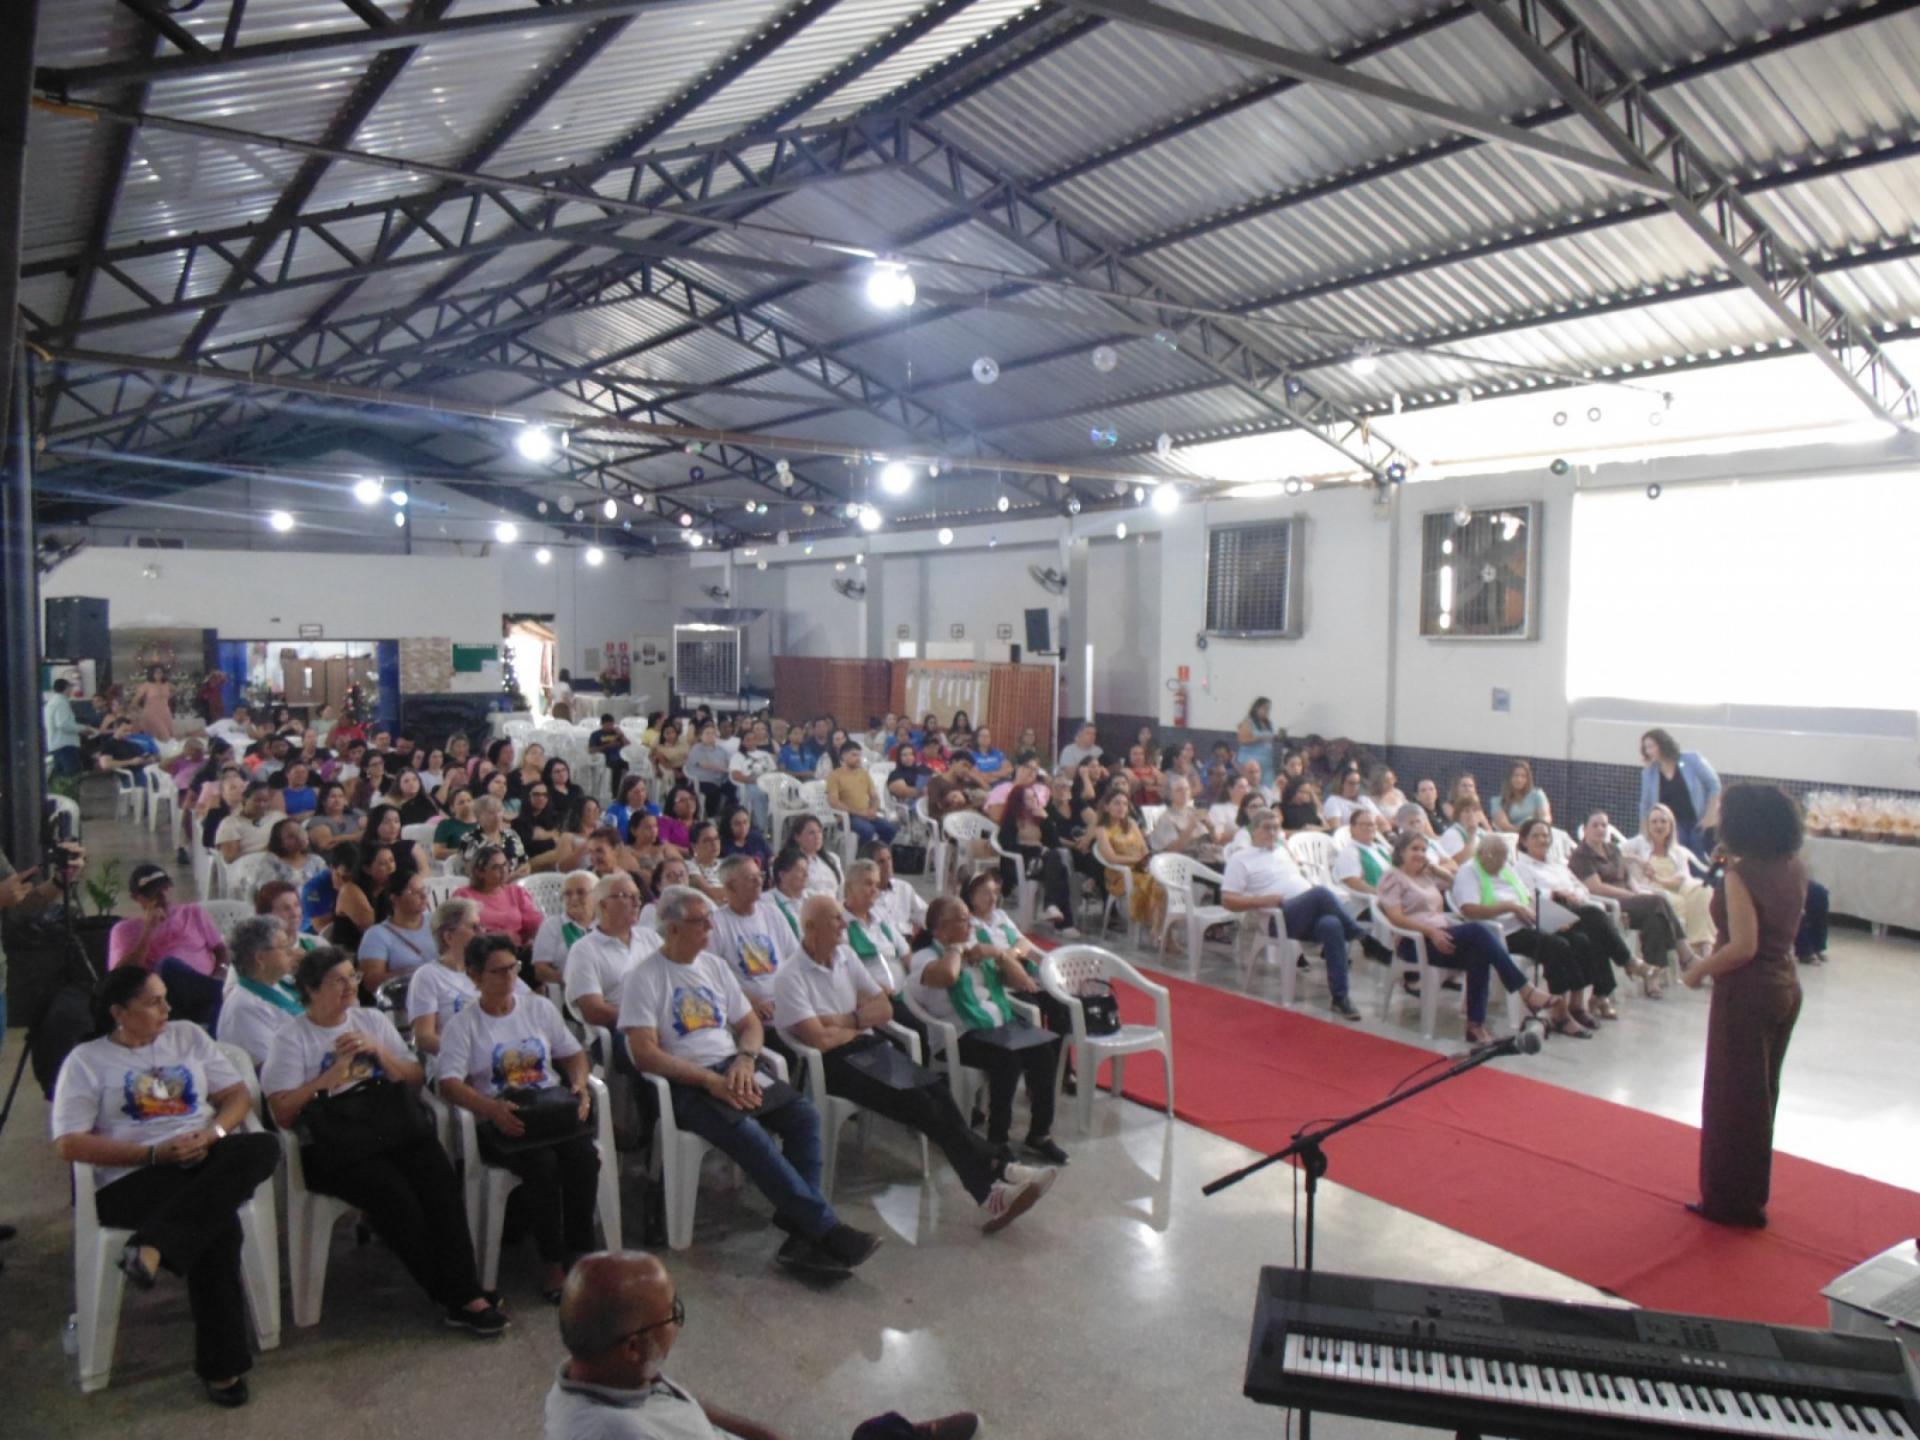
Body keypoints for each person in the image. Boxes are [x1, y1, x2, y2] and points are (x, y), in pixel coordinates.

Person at [620, 886, 880, 1277]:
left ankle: (800, 1224)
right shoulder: (644, 977)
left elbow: (750, 1024)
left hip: (733, 1066)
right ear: (672, 928)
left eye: (710, 919)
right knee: (749, 1133)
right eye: (700, 922)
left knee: (803, 1116)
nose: (710, 928)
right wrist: (709, 1080)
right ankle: (826, 1229)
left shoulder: (713, 966)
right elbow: (645, 1053)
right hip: (686, 1082)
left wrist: (745, 1058)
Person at [51, 967, 280, 1407]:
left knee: (263, 1146)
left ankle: (154, 1245)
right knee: (218, 1227)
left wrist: (211, 1135)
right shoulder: (87, 1060)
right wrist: (154, 1154)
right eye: (154, 1002)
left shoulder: (187, 1036)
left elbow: (236, 1096)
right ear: (119, 1013)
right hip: (135, 1175)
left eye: (166, 998)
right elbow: (69, 1143)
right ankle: (221, 1368)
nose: (167, 1009)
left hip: (204, 1157)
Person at [262, 948, 507, 1335]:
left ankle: (463, 1288)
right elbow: (283, 1113)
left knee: (439, 1180)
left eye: (352, 977)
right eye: (338, 981)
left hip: (388, 1125)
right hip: (336, 1144)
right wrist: (330, 1078)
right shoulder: (292, 1038)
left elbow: (413, 1079)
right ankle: (457, 1295)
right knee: (394, 1196)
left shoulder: (370, 1020)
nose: (349, 987)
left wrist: (378, 1053)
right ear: (311, 989)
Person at [780, 894, 1056, 1230]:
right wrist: (857, 1021)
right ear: (811, 927)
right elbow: (818, 1040)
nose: (843, 924)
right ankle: (996, 1178)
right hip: (833, 1065)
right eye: (835, 919)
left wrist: (843, 1020)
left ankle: (994, 1183)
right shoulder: (791, 975)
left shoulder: (845, 956)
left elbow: (884, 1008)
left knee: (937, 1091)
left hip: (869, 1046)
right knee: (922, 1106)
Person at [546, 1251, 980, 1440]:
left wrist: (767, 1436)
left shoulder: (602, 1368)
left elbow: (686, 1403)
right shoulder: (616, 1432)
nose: (677, 1324)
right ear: (632, 1347)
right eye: (672, 1315)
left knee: (874, 1433)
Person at [438, 932, 598, 1302]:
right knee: (542, 1165)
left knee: (584, 1158)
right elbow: (449, 1083)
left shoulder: (537, 1008)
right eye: (498, 971)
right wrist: (490, 1109)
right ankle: (552, 1263)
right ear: (475, 976)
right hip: (504, 1118)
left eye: (513, 968)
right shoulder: (464, 1024)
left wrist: (580, 1085)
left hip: (548, 1110)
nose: (509, 977)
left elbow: (573, 1054)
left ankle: (582, 1253)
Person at [1681, 784, 1808, 1229]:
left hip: (1747, 993)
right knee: (1762, 1095)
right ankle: (1752, 1193)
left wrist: (1698, 970)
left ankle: (1729, 1200)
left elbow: (1743, 947)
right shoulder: (1793, 866)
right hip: (1785, 985)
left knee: (1731, 1099)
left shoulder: (1741, 876)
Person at [909, 895, 1069, 1165]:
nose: (970, 925)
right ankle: (998, 1139)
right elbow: (948, 976)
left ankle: (1040, 1133)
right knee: (1007, 1059)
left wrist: (997, 954)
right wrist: (956, 949)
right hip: (959, 1034)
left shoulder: (976, 949)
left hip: (996, 1023)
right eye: (963, 920)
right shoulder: (925, 956)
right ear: (942, 928)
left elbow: (1023, 982)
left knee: (1044, 1050)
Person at [1376, 831, 1558, 1044]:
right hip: (1415, 942)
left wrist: (1436, 869)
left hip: (1442, 935)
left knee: (1479, 954)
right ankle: (1524, 989)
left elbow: (1456, 883)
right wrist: (1430, 932)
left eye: (1424, 850)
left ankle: (1475, 1026)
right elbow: (1396, 918)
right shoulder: (1393, 877)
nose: (1420, 854)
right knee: (1478, 930)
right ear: (1400, 852)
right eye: (1414, 849)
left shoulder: (1425, 876)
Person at [1221, 810, 1367, 1021]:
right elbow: (1227, 900)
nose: (1272, 833)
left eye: (1275, 828)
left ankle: (1340, 997)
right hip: (1277, 918)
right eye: (1266, 828)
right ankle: (1362, 937)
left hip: (1305, 914)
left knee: (1332, 925)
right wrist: (1260, 901)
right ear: (1253, 831)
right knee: (1321, 893)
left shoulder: (1282, 851)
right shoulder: (1241, 858)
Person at [1513, 818, 1652, 1014]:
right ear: (1524, 841)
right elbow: (1527, 897)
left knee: (1593, 932)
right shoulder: (1521, 867)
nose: (1542, 840)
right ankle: (1626, 963)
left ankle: (1600, 994)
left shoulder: (1557, 865)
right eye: (1536, 836)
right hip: (1545, 915)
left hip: (1572, 910)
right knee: (1595, 915)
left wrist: (1573, 895)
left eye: (1545, 835)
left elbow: (1581, 888)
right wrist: (1555, 894)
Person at [1570, 811, 1695, 982]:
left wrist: (1636, 892)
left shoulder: (1613, 849)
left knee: (1654, 918)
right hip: (1607, 904)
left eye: (1604, 825)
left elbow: (1627, 877)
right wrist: (1631, 896)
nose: (1600, 829)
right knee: (1658, 901)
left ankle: (1652, 977)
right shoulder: (1581, 855)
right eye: (1595, 825)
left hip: (1629, 901)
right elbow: (1596, 888)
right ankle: (1685, 954)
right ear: (1585, 830)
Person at [110, 863, 231, 1028]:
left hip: (202, 987)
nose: (162, 896)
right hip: (163, 999)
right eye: (153, 892)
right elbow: (119, 977)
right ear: (136, 898)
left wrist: (220, 972)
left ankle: (215, 995)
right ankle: (219, 995)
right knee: (168, 965)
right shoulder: (124, 930)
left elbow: (221, 950)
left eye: (165, 888)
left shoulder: (192, 912)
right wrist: (148, 930)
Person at [411, 900, 530, 1058]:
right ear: (449, 936)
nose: (482, 932)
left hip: (511, 1056)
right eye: (474, 927)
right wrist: (474, 1056)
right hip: (457, 1061)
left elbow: (533, 1006)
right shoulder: (428, 976)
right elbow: (425, 1038)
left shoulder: (495, 967)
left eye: (481, 926)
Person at [563, 874, 662, 1041]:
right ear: (603, 905)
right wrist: (646, 1019)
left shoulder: (650, 938)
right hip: (624, 1030)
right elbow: (594, 1011)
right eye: (626, 896)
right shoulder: (584, 950)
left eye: (638, 897)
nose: (637, 903)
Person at [707, 854, 800, 1029]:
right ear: (730, 886)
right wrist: (750, 1001)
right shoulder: (716, 923)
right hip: (749, 1011)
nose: (759, 882)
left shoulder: (772, 913)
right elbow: (713, 976)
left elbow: (795, 960)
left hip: (786, 1001)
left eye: (760, 875)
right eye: (751, 878)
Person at [216, 915, 305, 1068]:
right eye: (284, 946)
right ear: (260, 958)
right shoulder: (243, 1008)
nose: (292, 952)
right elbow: (272, 1069)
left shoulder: (274, 985)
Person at [994, 772, 1078, 932]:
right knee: (1058, 867)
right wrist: (1034, 849)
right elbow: (1007, 846)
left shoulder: (1039, 818)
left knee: (1057, 861)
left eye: (1034, 797)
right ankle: (1064, 922)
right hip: (1020, 863)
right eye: (1027, 799)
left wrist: (1046, 820)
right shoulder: (1011, 820)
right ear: (1018, 801)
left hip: (1042, 861)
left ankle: (1052, 907)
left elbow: (1054, 843)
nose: (1032, 801)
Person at [1638, 728, 1722, 855]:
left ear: (1662, 744)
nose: (1648, 751)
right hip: (1673, 825)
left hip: (1698, 820)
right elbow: (1645, 804)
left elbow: (1714, 785)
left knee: (1701, 852)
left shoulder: (1691, 759)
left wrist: (1709, 816)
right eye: (1646, 748)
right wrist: (1644, 832)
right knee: (1678, 853)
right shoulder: (1650, 772)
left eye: (1651, 747)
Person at [1091, 789, 1160, 933]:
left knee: (1161, 881)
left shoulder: (1131, 823)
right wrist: (1136, 860)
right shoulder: (1102, 829)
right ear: (1106, 807)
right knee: (1151, 881)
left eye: (1125, 804)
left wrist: (1145, 861)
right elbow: (1111, 857)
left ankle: (1159, 928)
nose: (1121, 807)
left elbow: (1144, 848)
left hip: (1140, 868)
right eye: (1116, 803)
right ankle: (1156, 929)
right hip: (1119, 874)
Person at [456, 844, 545, 949]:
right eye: (496, 867)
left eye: (505, 865)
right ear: (479, 872)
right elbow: (461, 932)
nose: (504, 870)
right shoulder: (464, 895)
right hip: (482, 951)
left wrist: (530, 941)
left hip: (516, 950)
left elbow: (535, 924)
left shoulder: (516, 892)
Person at [842, 858, 913, 988]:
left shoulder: (881, 918)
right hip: (870, 994)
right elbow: (844, 973)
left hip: (902, 990)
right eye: (868, 884)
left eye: (877, 885)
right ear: (849, 887)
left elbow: (905, 954)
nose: (874, 890)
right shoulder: (841, 924)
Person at [359, 871, 437, 988]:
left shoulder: (437, 921)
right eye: (414, 892)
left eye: (424, 890)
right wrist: (416, 972)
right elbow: (371, 982)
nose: (423, 896)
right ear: (395, 899)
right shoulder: (376, 935)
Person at [533, 871, 599, 986]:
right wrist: (571, 981)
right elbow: (540, 970)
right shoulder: (552, 926)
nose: (574, 898)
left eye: (581, 892)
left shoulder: (606, 923)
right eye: (568, 894)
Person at [826, 742, 898, 846]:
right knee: (868, 830)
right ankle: (862, 854)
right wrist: (860, 813)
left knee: (891, 828)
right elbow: (834, 802)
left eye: (859, 755)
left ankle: (877, 851)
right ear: (843, 756)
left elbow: (874, 796)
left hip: (866, 814)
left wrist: (873, 809)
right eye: (854, 755)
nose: (858, 758)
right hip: (847, 817)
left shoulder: (863, 774)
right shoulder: (835, 775)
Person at [1331, 806, 1393, 899]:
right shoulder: (1350, 853)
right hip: (1373, 901)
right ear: (1352, 828)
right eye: (1363, 824)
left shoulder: (1381, 850)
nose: (1369, 828)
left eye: (1372, 824)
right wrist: (1379, 893)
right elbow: (1353, 882)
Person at [464, 794, 530, 877]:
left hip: (517, 881)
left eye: (499, 811)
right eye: (491, 812)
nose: (497, 816)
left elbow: (524, 862)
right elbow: (473, 874)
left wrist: (524, 870)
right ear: (478, 816)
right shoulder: (470, 840)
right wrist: (512, 877)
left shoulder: (511, 834)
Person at [302, 841, 357, 937]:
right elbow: (321, 927)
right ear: (332, 868)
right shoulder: (313, 889)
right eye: (343, 877)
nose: (346, 883)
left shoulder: (362, 878)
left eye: (351, 878)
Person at [215, 782, 276, 863]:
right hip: (246, 867)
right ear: (245, 799)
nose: (262, 805)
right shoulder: (230, 824)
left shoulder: (277, 817)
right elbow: (231, 859)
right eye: (257, 801)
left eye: (265, 801)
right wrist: (265, 853)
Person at [44, 677, 93, 775]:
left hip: (55, 744)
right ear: (66, 688)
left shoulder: (51, 703)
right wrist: (83, 728)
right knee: (72, 775)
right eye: (70, 687)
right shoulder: (61, 703)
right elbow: (63, 724)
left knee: (61, 776)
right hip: (65, 745)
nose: (71, 690)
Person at [263, 816, 326, 893]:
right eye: (291, 836)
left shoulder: (316, 861)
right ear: (279, 842)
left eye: (300, 831)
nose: (299, 837)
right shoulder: (272, 863)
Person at [1492, 759, 1551, 834]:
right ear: (1509, 778)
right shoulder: (1497, 801)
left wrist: (1538, 830)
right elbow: (1504, 826)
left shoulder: (1537, 795)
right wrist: (1526, 832)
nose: (1519, 779)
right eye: (1515, 776)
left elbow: (1545, 818)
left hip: (1538, 833)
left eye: (1523, 776)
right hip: (1513, 835)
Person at [790, 815, 842, 897]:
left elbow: (841, 888)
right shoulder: (792, 862)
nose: (817, 837)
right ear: (797, 837)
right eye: (811, 833)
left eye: (819, 832)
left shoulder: (832, 858)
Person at [1236, 697, 1278, 788]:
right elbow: (1242, 740)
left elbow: (1271, 739)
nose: (1267, 711)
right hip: (1250, 763)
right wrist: (1260, 737)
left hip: (1266, 765)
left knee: (1268, 789)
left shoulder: (1269, 724)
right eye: (1264, 708)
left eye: (1268, 709)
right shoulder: (1248, 722)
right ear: (1256, 708)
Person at [605, 773, 658, 846]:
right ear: (626, 794)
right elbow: (608, 834)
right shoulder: (615, 810)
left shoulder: (654, 809)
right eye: (636, 792)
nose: (641, 794)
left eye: (643, 790)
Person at [720, 804, 772, 874]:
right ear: (729, 826)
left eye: (745, 822)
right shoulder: (725, 846)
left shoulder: (756, 837)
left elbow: (770, 856)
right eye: (737, 824)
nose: (743, 827)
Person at [588, 714, 629, 798]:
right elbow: (591, 750)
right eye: (608, 725)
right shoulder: (596, 734)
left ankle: (628, 791)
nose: (610, 727)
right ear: (602, 724)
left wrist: (622, 735)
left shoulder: (617, 733)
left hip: (621, 757)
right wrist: (608, 746)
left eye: (612, 724)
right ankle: (615, 794)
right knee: (618, 766)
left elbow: (628, 746)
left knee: (630, 765)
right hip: (606, 758)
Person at [133, 664, 176, 742]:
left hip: (165, 713)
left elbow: (175, 690)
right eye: (156, 672)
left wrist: (167, 698)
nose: (159, 674)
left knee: (170, 737)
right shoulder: (146, 685)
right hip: (151, 713)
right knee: (163, 735)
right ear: (152, 673)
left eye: (161, 672)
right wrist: (140, 711)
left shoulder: (167, 684)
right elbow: (135, 701)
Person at [657, 786, 699, 851]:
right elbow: (663, 844)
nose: (689, 803)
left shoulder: (701, 825)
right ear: (672, 805)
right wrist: (689, 852)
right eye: (682, 800)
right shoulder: (665, 821)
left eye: (691, 798)